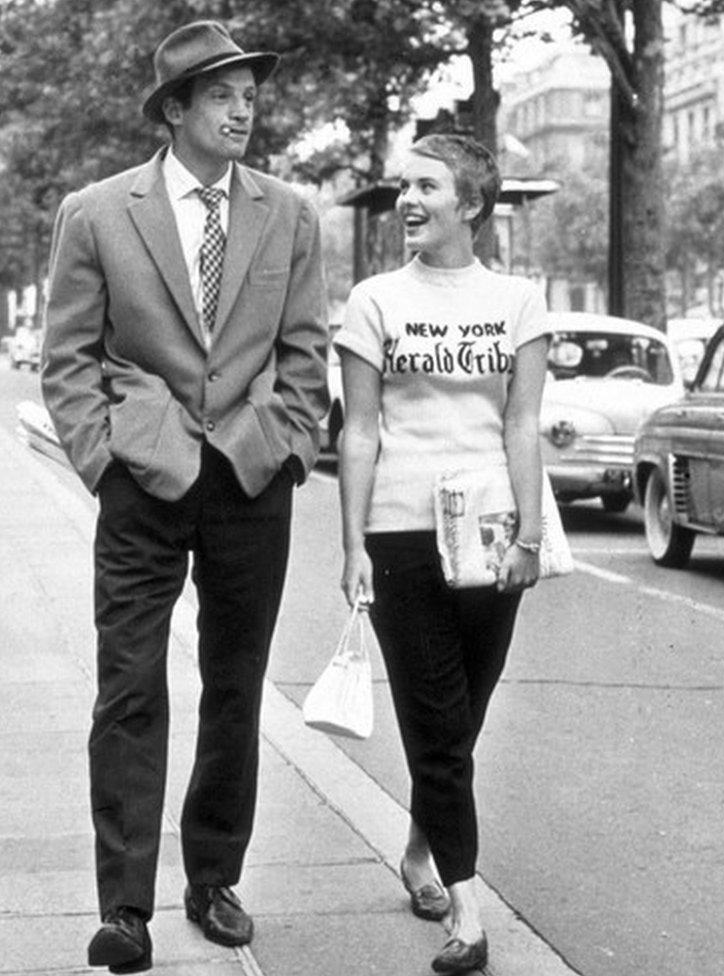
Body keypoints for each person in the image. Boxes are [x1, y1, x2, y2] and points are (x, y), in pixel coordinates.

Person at [40, 20, 329, 974]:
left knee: (236, 689)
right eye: (222, 94)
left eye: (251, 93)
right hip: (144, 481)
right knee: (128, 690)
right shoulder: (96, 213)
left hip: (249, 480)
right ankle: (125, 908)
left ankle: (214, 880)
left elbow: (304, 354)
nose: (245, 108)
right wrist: (103, 459)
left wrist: (279, 445)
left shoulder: (289, 213)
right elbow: (70, 357)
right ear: (175, 110)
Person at [335, 133, 549, 975]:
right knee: (433, 715)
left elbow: (521, 423)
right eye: (402, 187)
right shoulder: (373, 299)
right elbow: (357, 429)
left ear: (472, 204)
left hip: (492, 532)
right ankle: (468, 911)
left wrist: (531, 535)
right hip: (397, 530)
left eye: (426, 187)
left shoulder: (519, 301)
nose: (408, 202)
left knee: (463, 717)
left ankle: (422, 854)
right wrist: (350, 540)